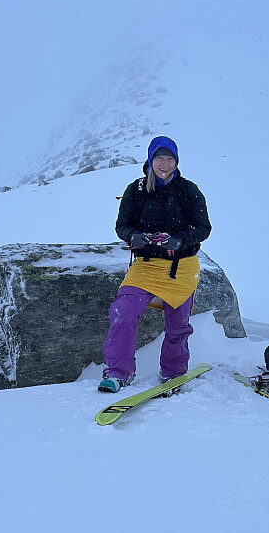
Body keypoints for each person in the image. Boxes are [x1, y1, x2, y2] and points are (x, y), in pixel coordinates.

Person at [98, 136, 212, 393]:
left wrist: (180, 240)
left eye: (170, 158)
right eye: (159, 157)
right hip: (145, 266)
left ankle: (173, 374)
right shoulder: (135, 190)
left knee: (178, 325)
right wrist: (133, 236)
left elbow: (204, 228)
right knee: (123, 312)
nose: (165, 163)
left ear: (176, 161)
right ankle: (118, 372)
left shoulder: (188, 190)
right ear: (150, 159)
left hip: (181, 267)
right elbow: (122, 226)